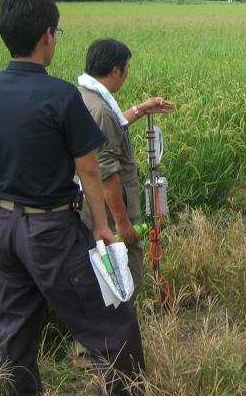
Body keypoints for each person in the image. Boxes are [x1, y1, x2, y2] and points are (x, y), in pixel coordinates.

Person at [0, 0, 144, 395]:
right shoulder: (61, 94)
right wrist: (101, 226)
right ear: (47, 35)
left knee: (15, 334)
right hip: (49, 230)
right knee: (113, 323)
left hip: (1, 226)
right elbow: (89, 168)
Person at [78, 38, 174, 297]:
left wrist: (141, 109)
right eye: (127, 69)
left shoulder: (85, 96)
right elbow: (106, 173)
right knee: (123, 281)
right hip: (109, 217)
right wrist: (122, 223)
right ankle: (120, 330)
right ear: (115, 71)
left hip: (90, 210)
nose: (127, 75)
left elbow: (113, 126)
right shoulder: (101, 111)